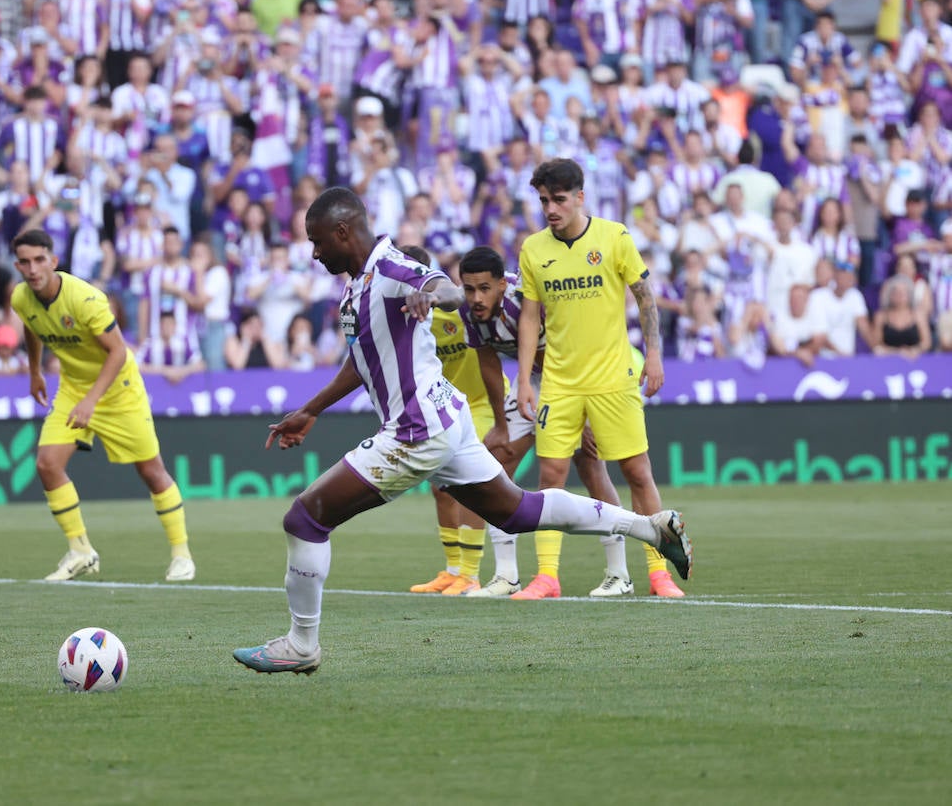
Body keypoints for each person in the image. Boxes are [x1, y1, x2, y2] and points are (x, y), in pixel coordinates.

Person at [232, 187, 692, 674]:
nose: (314, 252)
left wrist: (430, 294)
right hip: (446, 420)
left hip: (416, 430)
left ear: (343, 232)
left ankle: (302, 645)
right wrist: (312, 410)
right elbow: (361, 359)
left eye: (318, 241)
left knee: (304, 521)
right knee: (516, 510)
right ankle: (650, 527)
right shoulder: (358, 286)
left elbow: (444, 289)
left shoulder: (393, 269)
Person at [514, 159, 686, 600]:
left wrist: (654, 355)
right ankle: (547, 577)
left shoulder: (615, 237)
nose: (550, 208)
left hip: (614, 378)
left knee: (637, 473)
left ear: (580, 197)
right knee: (550, 475)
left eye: (558, 199)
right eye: (543, 200)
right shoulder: (533, 249)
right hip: (560, 383)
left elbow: (645, 297)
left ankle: (659, 574)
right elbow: (530, 317)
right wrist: (522, 379)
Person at [10, 228, 196, 583]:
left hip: (119, 390)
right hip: (73, 387)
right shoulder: (21, 298)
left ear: (53, 261)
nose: (32, 269)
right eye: (24, 262)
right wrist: (35, 371)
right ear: (17, 266)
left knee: (151, 471)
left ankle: (182, 554)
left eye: (39, 260)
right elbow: (31, 327)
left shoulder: (85, 299)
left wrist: (91, 402)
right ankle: (81, 551)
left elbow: (119, 352)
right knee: (47, 464)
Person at [452, 246, 630, 599]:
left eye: (484, 288)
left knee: (591, 467)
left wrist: (586, 411)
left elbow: (576, 344)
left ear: (503, 284)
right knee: (495, 464)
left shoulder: (528, 300)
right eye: (469, 289)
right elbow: (488, 363)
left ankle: (619, 574)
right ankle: (506, 575)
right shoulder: (469, 312)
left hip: (574, 378)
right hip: (532, 384)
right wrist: (501, 423)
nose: (476, 297)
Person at [399, 244, 491, 598]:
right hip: (448, 406)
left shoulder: (454, 310)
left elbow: (465, 303)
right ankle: (453, 570)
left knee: (467, 483)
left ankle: (470, 574)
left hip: (482, 403)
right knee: (440, 487)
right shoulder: (406, 323)